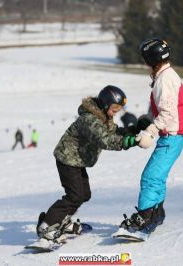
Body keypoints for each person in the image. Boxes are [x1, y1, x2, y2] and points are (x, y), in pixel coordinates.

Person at [35, 85, 138, 245]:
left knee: (84, 195)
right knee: (74, 196)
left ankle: (63, 221)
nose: (115, 113)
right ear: (105, 105)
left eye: (118, 110)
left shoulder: (103, 117)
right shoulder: (89, 119)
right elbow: (104, 139)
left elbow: (112, 131)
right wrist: (129, 142)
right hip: (67, 160)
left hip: (76, 161)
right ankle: (47, 226)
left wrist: (133, 131)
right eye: (114, 109)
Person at [118, 38, 183, 234]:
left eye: (144, 58)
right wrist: (147, 120)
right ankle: (156, 213)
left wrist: (151, 131)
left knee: (150, 177)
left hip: (174, 132)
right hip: (176, 131)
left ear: (151, 58)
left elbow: (168, 113)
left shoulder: (164, 79)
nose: (144, 62)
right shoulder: (164, 75)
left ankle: (145, 216)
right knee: (157, 176)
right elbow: (161, 110)